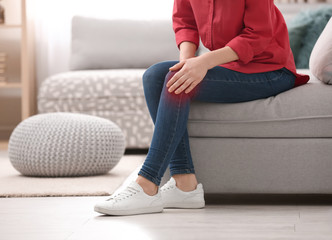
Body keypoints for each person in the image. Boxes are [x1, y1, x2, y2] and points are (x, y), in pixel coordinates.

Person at [94, 0, 310, 216]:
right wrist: (187, 64)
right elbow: (185, 22)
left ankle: (147, 183)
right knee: (155, 77)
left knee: (174, 81)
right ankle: (184, 185)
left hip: (272, 69)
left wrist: (204, 62)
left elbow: (259, 34)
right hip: (232, 65)